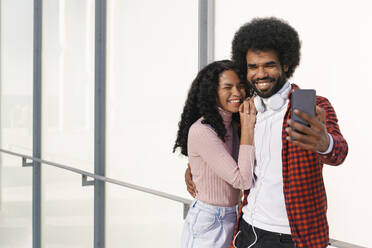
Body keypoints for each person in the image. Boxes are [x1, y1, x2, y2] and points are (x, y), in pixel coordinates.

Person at [185, 17, 348, 248]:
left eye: (269, 65)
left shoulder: (315, 106)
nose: (260, 74)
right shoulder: (246, 112)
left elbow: (339, 151)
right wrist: (194, 168)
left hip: (293, 237)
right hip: (246, 229)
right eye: (253, 67)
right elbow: (221, 147)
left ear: (286, 65)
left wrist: (325, 143)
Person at [173, 60, 257, 248]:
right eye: (227, 87)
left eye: (240, 86)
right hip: (209, 221)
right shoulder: (203, 130)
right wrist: (248, 129)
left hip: (232, 216)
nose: (237, 93)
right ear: (212, 92)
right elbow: (242, 180)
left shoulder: (234, 125)